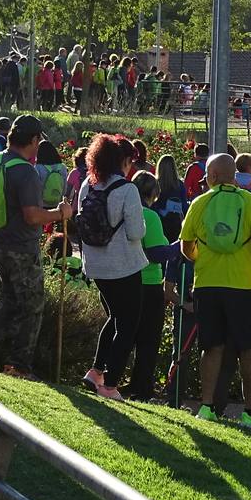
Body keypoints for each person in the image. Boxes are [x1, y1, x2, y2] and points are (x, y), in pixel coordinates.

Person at [179, 153, 251, 428]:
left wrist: (202, 255)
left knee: (211, 347)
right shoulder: (249, 202)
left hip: (207, 285)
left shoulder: (199, 203)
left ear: (211, 176)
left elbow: (186, 248)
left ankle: (207, 407)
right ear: (234, 175)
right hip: (242, 285)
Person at [0, 115, 72, 378]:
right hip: (20, 246)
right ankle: (18, 364)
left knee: (11, 297)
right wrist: (60, 214)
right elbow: (32, 215)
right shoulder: (25, 171)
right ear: (34, 140)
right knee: (32, 304)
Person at [77, 135, 149, 401]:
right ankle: (110, 384)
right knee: (128, 324)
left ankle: (96, 371)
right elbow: (135, 232)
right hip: (123, 266)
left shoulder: (88, 184)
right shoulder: (127, 190)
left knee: (115, 317)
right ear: (125, 161)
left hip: (95, 265)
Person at [126, 171, 176, 401]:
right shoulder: (150, 216)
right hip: (149, 282)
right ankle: (142, 387)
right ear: (154, 193)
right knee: (148, 340)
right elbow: (157, 253)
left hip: (127, 280)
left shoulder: (125, 211)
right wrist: (179, 247)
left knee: (129, 335)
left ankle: (124, 381)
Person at [152, 155, 187, 243]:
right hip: (176, 222)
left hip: (160, 222)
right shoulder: (179, 185)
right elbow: (184, 206)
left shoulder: (155, 185)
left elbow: (152, 204)